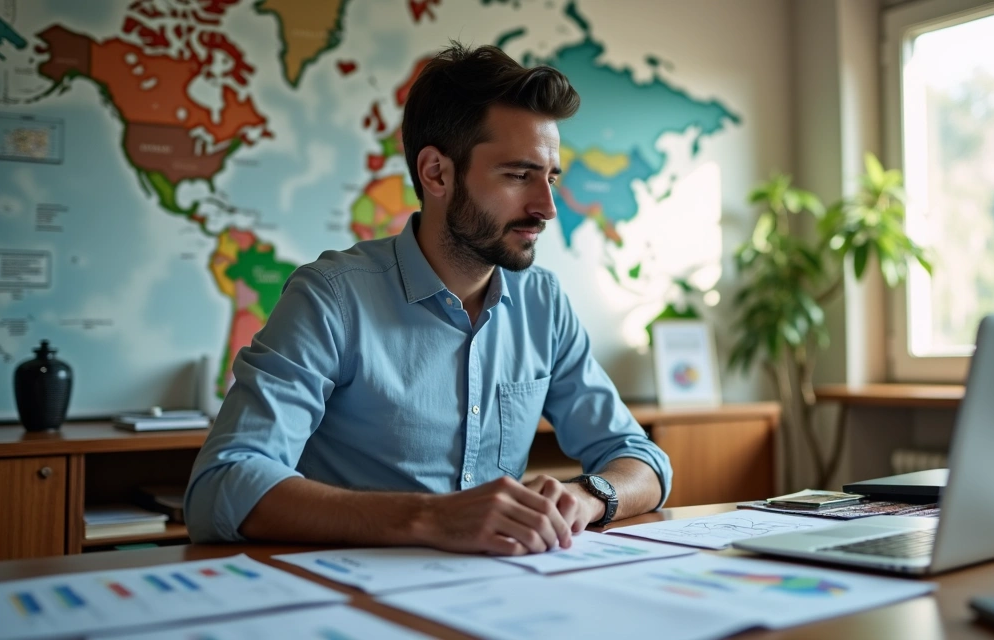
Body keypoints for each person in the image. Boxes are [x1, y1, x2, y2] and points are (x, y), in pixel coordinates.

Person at [184, 43, 672, 556]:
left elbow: (643, 461)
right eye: (518, 175)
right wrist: (432, 517)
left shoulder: (543, 304)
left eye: (550, 177)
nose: (547, 207)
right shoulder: (331, 297)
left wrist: (587, 496)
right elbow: (222, 486)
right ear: (436, 173)